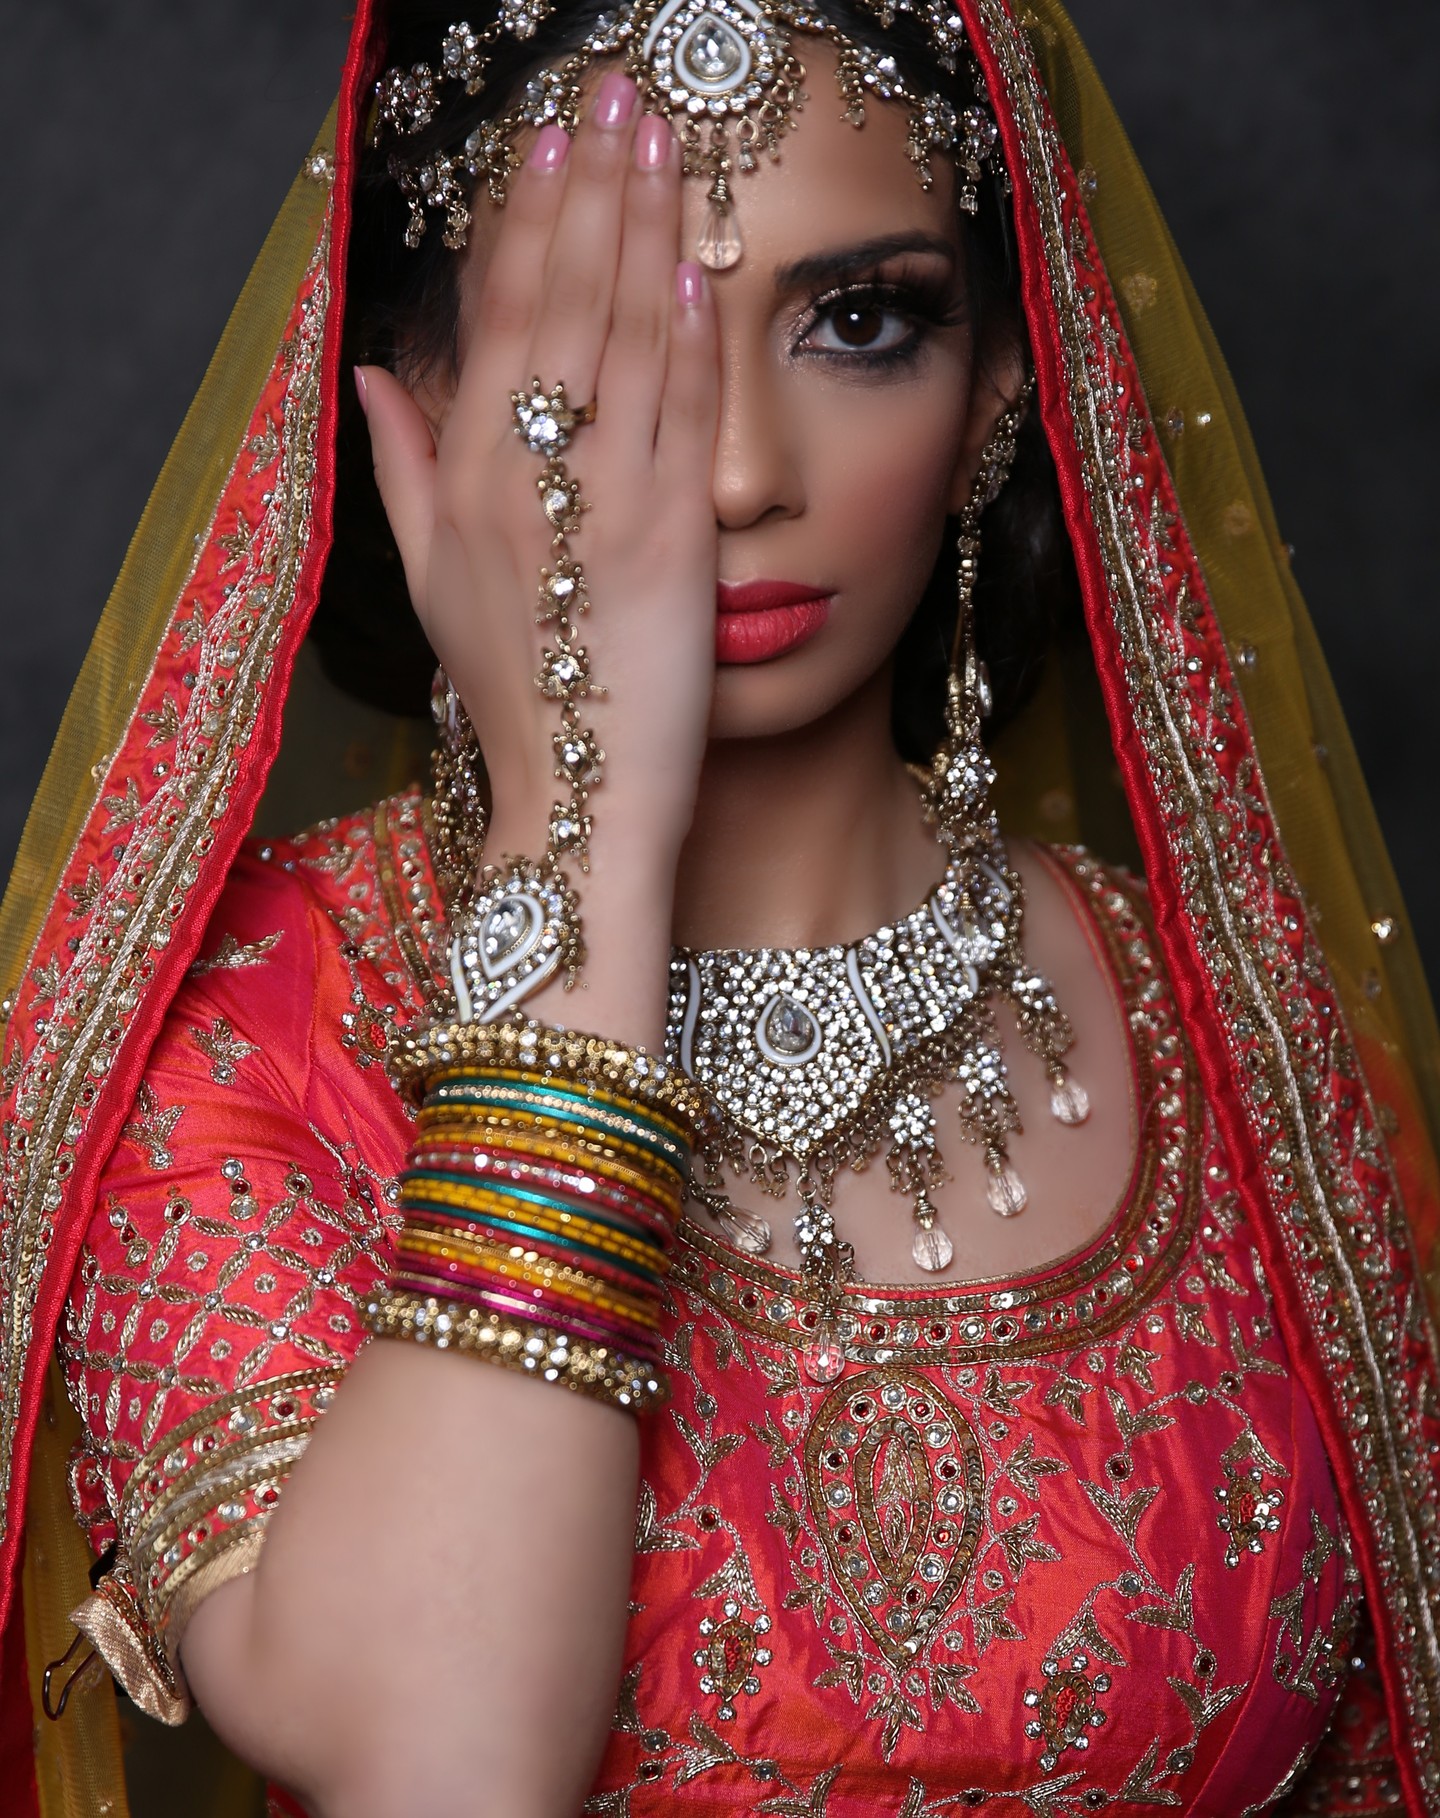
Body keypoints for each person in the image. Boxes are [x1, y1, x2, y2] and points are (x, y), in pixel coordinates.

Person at [2, 0, 1438, 1812]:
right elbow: (435, 1767)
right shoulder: (250, 1035)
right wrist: (580, 813)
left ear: (1002, 384)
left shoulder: (1245, 1039)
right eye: (604, 346)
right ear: (411, 409)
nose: (741, 471)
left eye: (860, 322)